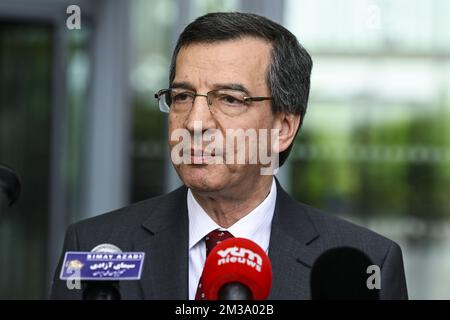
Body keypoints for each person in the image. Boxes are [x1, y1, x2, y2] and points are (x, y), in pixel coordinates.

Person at [50, 12, 408, 299]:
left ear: (283, 128)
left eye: (230, 99)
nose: (195, 122)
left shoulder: (364, 265)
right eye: (183, 96)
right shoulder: (96, 247)